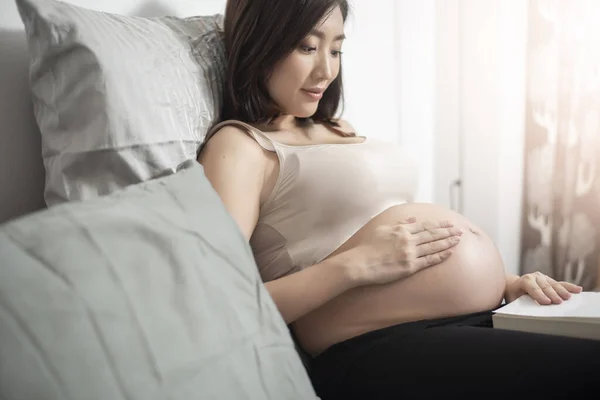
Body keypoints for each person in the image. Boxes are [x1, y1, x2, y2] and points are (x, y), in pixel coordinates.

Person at [197, 0, 600, 398]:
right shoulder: (240, 147)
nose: (327, 70)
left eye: (336, 49)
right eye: (307, 47)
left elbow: (386, 227)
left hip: (469, 316)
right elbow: (223, 307)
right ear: (259, 42)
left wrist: (506, 284)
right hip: (373, 346)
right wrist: (356, 265)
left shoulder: (336, 127)